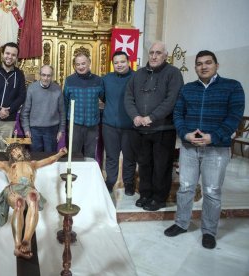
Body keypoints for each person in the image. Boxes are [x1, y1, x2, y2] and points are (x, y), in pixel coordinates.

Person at [164, 50, 245, 249]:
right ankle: (181, 223)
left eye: (208, 63)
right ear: (195, 67)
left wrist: (212, 137)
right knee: (185, 188)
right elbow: (178, 114)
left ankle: (209, 231)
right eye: (199, 63)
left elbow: (234, 117)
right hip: (190, 148)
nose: (203, 66)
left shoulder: (232, 87)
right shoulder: (188, 89)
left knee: (211, 191)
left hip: (216, 149)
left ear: (217, 65)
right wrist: (185, 134)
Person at [0, 144, 67, 258]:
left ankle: (26, 240)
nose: (15, 152)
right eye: (12, 152)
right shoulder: (7, 165)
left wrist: (60, 153)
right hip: (14, 188)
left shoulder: (33, 164)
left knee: (33, 198)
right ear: (11, 156)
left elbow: (50, 160)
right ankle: (17, 245)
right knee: (19, 203)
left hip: (29, 189)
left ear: (23, 152)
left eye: (17, 150)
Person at [124, 41, 184, 211]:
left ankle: (159, 198)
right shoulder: (138, 74)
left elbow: (172, 99)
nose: (154, 56)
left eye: (158, 53)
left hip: (163, 129)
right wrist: (135, 116)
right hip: (140, 129)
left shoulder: (173, 73)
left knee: (161, 166)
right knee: (144, 164)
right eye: (151, 52)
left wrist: (152, 116)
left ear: (166, 55)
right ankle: (145, 194)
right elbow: (128, 97)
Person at [102, 51, 138, 195]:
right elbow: (103, 97)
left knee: (130, 156)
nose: (119, 65)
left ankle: (129, 183)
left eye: (122, 62)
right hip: (110, 125)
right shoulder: (106, 79)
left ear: (128, 62)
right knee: (111, 156)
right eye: (116, 63)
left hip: (130, 126)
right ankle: (110, 181)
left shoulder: (137, 77)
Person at [0, 42, 26, 151]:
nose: (10, 57)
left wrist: (9, 110)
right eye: (7, 53)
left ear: (16, 57)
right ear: (2, 54)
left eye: (13, 55)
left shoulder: (19, 74)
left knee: (5, 154)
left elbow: (22, 96)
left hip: (8, 121)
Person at [63, 52, 105, 159]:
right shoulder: (69, 80)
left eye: (83, 63)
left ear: (89, 63)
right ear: (74, 66)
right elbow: (65, 102)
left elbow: (105, 98)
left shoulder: (98, 80)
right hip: (75, 125)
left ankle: (87, 176)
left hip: (92, 125)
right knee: (74, 155)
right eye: (78, 64)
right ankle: (74, 176)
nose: (81, 67)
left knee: (90, 156)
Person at [20, 65, 65, 152]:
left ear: (52, 76)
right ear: (39, 75)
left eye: (48, 75)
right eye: (43, 75)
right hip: (34, 131)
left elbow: (62, 112)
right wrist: (26, 129)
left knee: (50, 159)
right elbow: (25, 112)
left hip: (52, 130)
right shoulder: (31, 88)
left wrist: (61, 130)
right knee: (36, 159)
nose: (45, 78)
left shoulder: (57, 89)